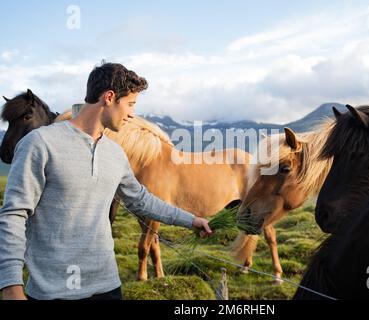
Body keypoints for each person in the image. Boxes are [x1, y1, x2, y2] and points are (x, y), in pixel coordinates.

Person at [0, 62, 212, 300]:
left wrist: (191, 220)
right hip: (52, 292)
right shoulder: (39, 143)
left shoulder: (115, 153)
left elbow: (141, 200)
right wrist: (10, 285)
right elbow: (14, 214)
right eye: (131, 104)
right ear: (109, 97)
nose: (133, 114)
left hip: (108, 287)